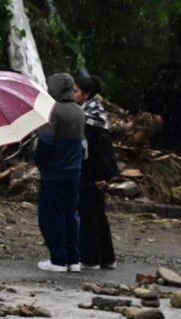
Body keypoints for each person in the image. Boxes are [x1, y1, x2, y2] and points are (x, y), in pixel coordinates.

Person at [35, 72, 86, 273]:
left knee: (50, 216)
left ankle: (57, 259)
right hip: (74, 173)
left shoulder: (52, 111)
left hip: (54, 173)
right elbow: (82, 146)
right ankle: (73, 259)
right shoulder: (79, 112)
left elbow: (45, 143)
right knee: (70, 215)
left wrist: (40, 162)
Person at [73, 75, 119, 270]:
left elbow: (100, 150)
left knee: (90, 214)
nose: (72, 95)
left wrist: (101, 176)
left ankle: (91, 258)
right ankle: (106, 258)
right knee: (97, 213)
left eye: (75, 91)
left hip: (94, 172)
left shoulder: (93, 118)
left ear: (87, 94)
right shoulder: (92, 113)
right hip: (93, 171)